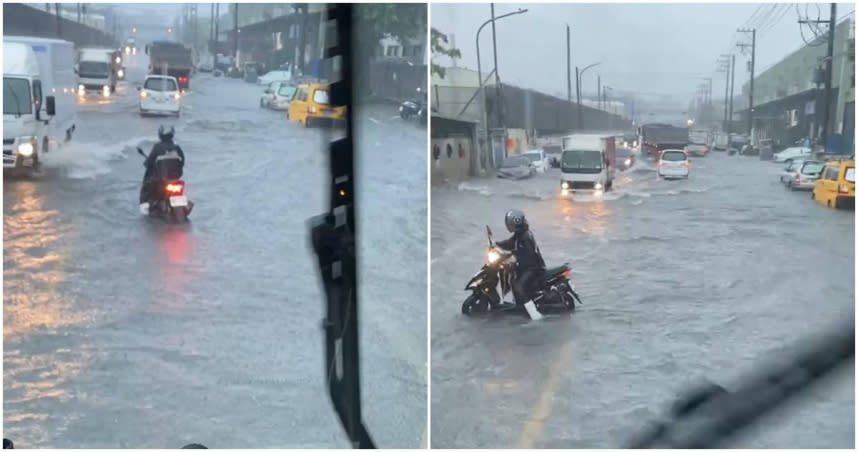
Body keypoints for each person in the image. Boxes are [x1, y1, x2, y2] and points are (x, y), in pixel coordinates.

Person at [495, 209, 546, 313]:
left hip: (533, 268)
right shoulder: (520, 234)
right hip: (526, 266)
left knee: (519, 287)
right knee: (513, 280)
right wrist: (496, 244)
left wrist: (509, 257)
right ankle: (520, 306)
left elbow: (525, 255)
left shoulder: (525, 236)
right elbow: (510, 243)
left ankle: (534, 314)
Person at [139, 125, 185, 214]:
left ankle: (145, 207)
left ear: (160, 136)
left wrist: (147, 163)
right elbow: (183, 160)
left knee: (146, 187)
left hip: (161, 179)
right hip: (176, 178)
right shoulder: (176, 147)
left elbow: (150, 160)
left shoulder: (157, 147)